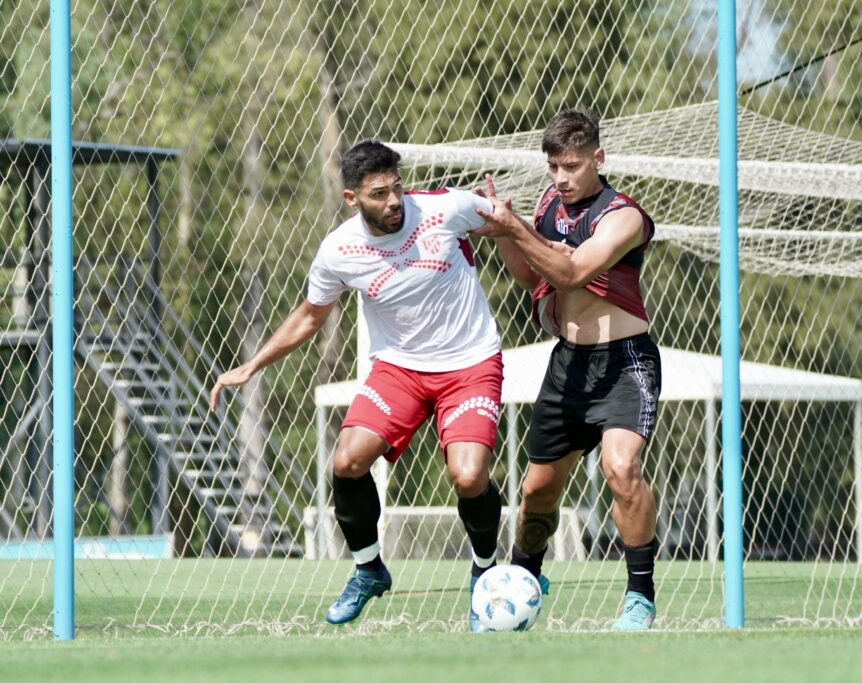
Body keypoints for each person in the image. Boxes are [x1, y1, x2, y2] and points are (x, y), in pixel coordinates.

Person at [210, 141, 505, 631]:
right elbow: (310, 316)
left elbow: (508, 223)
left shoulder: (445, 208)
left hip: (469, 362)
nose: (394, 201)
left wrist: (556, 264)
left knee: (469, 475)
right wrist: (252, 365)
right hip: (399, 369)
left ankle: (485, 572)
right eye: (379, 193)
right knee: (346, 461)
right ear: (352, 199)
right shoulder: (339, 250)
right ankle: (369, 570)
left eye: (397, 188)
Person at [476, 109, 662, 631]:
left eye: (573, 165)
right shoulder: (547, 207)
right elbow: (531, 274)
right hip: (567, 367)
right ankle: (524, 580)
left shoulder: (624, 216)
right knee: (537, 493)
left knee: (620, 469)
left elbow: (573, 270)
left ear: (598, 159)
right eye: (554, 165)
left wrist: (517, 227)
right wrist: (506, 234)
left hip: (625, 363)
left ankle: (640, 594)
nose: (561, 176)